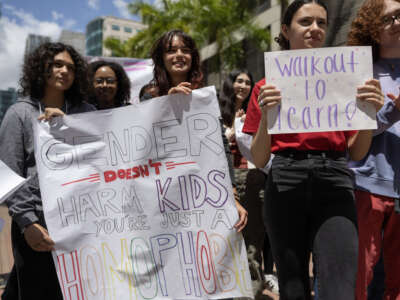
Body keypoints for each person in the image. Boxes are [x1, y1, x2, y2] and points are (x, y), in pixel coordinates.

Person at [244, 1, 385, 299]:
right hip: (284, 180)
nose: (315, 29)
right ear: (286, 29)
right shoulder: (265, 87)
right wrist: (268, 116)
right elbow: (259, 158)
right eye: (306, 22)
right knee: (293, 285)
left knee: (340, 284)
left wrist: (368, 114)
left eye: (321, 22)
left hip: (335, 179)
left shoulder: (346, 82)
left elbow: (357, 153)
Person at [0, 42, 96, 300]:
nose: (65, 71)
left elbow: (104, 154)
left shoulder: (87, 113)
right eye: (57, 64)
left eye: (71, 67)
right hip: (37, 224)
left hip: (82, 221)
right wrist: (27, 222)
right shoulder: (19, 113)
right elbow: (8, 173)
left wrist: (71, 125)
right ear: (40, 69)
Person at [145, 29, 248, 232]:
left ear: (192, 58)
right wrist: (166, 104)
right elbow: (142, 148)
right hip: (164, 198)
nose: (179, 55)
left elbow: (221, 147)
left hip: (204, 195)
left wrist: (231, 192)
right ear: (161, 59)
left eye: (185, 50)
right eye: (171, 50)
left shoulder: (205, 99)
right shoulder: (148, 99)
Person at [348, 0, 400, 298]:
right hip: (367, 186)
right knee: (360, 275)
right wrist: (393, 109)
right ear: (372, 30)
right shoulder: (360, 73)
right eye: (387, 19)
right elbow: (355, 130)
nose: (396, 23)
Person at [219, 70, 279, 295]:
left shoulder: (255, 112)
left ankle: (252, 291)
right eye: (239, 81)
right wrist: (229, 133)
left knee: (252, 242)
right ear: (229, 84)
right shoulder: (215, 112)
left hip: (253, 178)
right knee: (225, 240)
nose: (243, 86)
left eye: (248, 82)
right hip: (225, 181)